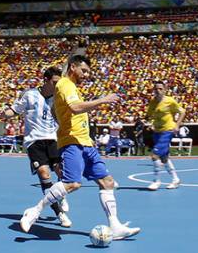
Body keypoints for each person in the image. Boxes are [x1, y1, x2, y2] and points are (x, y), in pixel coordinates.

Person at [20, 55, 139, 240]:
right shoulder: (65, 84)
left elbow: (56, 110)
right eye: (84, 70)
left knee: (107, 182)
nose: (86, 75)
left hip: (85, 142)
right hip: (72, 142)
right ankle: (34, 211)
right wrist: (103, 100)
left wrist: (60, 115)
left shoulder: (71, 87)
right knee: (72, 183)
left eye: (88, 72)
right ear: (73, 67)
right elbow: (75, 108)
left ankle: (115, 226)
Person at [3, 66, 71, 228]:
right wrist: (4, 113)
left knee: (61, 171)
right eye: (54, 82)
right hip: (34, 141)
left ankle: (61, 195)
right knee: (43, 173)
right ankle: (59, 213)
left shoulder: (58, 97)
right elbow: (14, 110)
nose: (57, 85)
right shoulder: (30, 95)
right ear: (46, 81)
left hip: (53, 139)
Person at [146, 80, 185, 190]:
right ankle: (175, 179)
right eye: (156, 89)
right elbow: (149, 115)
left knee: (154, 155)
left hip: (167, 130)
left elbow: (182, 112)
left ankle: (156, 181)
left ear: (165, 90)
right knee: (164, 158)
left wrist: (177, 125)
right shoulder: (153, 102)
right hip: (157, 131)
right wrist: (150, 124)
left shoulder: (170, 101)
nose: (158, 91)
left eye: (160, 89)